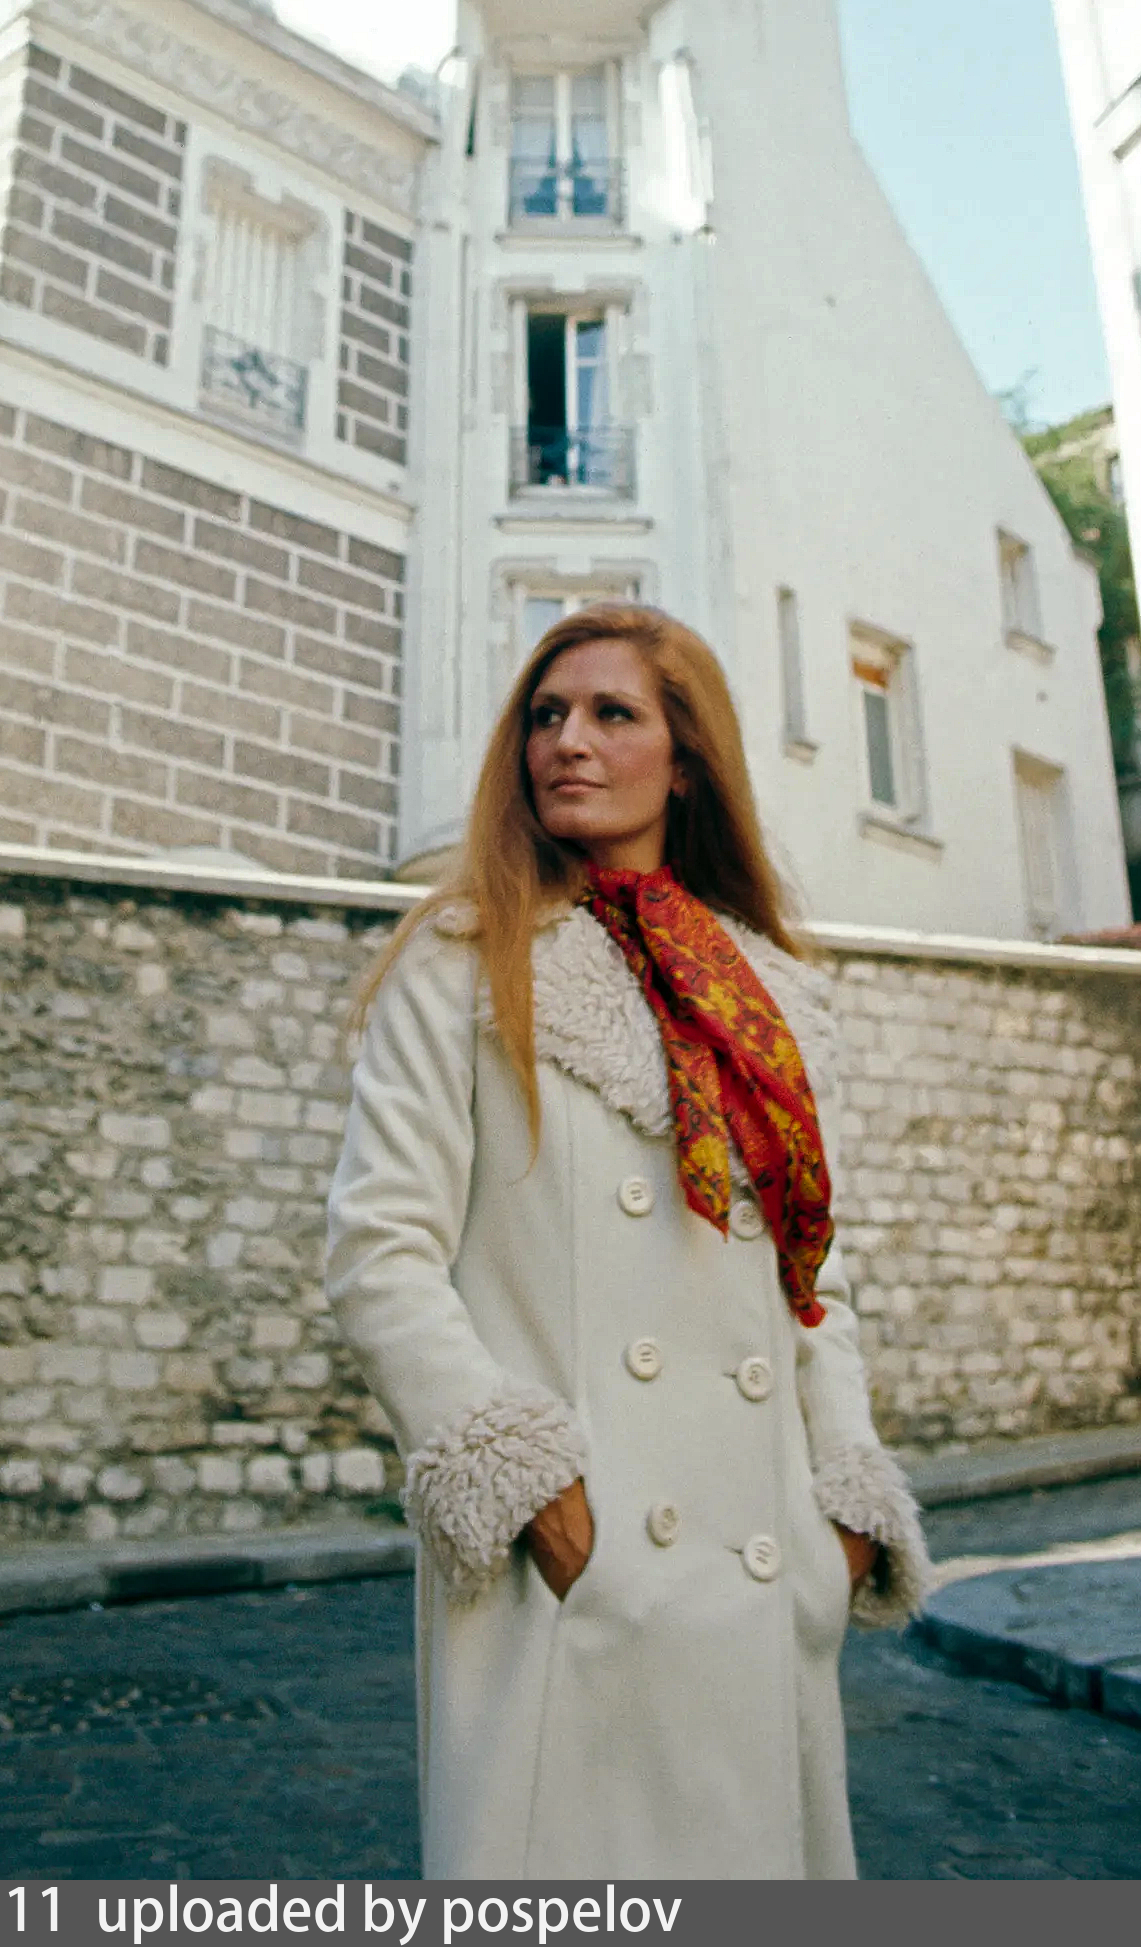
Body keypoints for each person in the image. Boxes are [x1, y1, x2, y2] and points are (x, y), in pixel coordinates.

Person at [325, 603, 931, 1880]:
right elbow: (381, 1253)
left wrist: (845, 1514)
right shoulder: (464, 960)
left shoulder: (771, 996)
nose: (569, 741)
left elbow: (811, 1284)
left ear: (686, 756)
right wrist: (532, 1492)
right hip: (577, 1576)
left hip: (760, 1576)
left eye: (613, 713)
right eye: (547, 714)